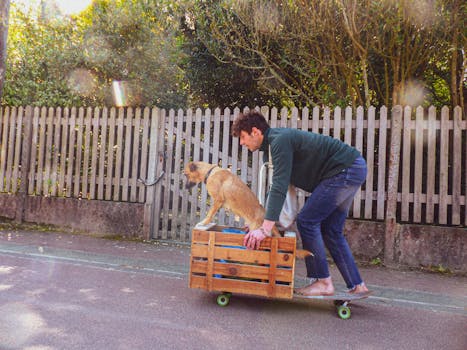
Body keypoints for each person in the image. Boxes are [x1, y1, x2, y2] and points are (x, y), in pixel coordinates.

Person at [232, 110, 369, 296]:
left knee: (307, 221)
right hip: (352, 168)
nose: (241, 143)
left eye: (243, 137)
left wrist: (264, 230)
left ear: (255, 132)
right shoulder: (271, 151)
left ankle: (323, 282)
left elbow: (279, 187)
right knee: (331, 230)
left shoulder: (279, 142)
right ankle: (357, 285)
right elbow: (277, 191)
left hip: (344, 170)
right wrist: (261, 223)